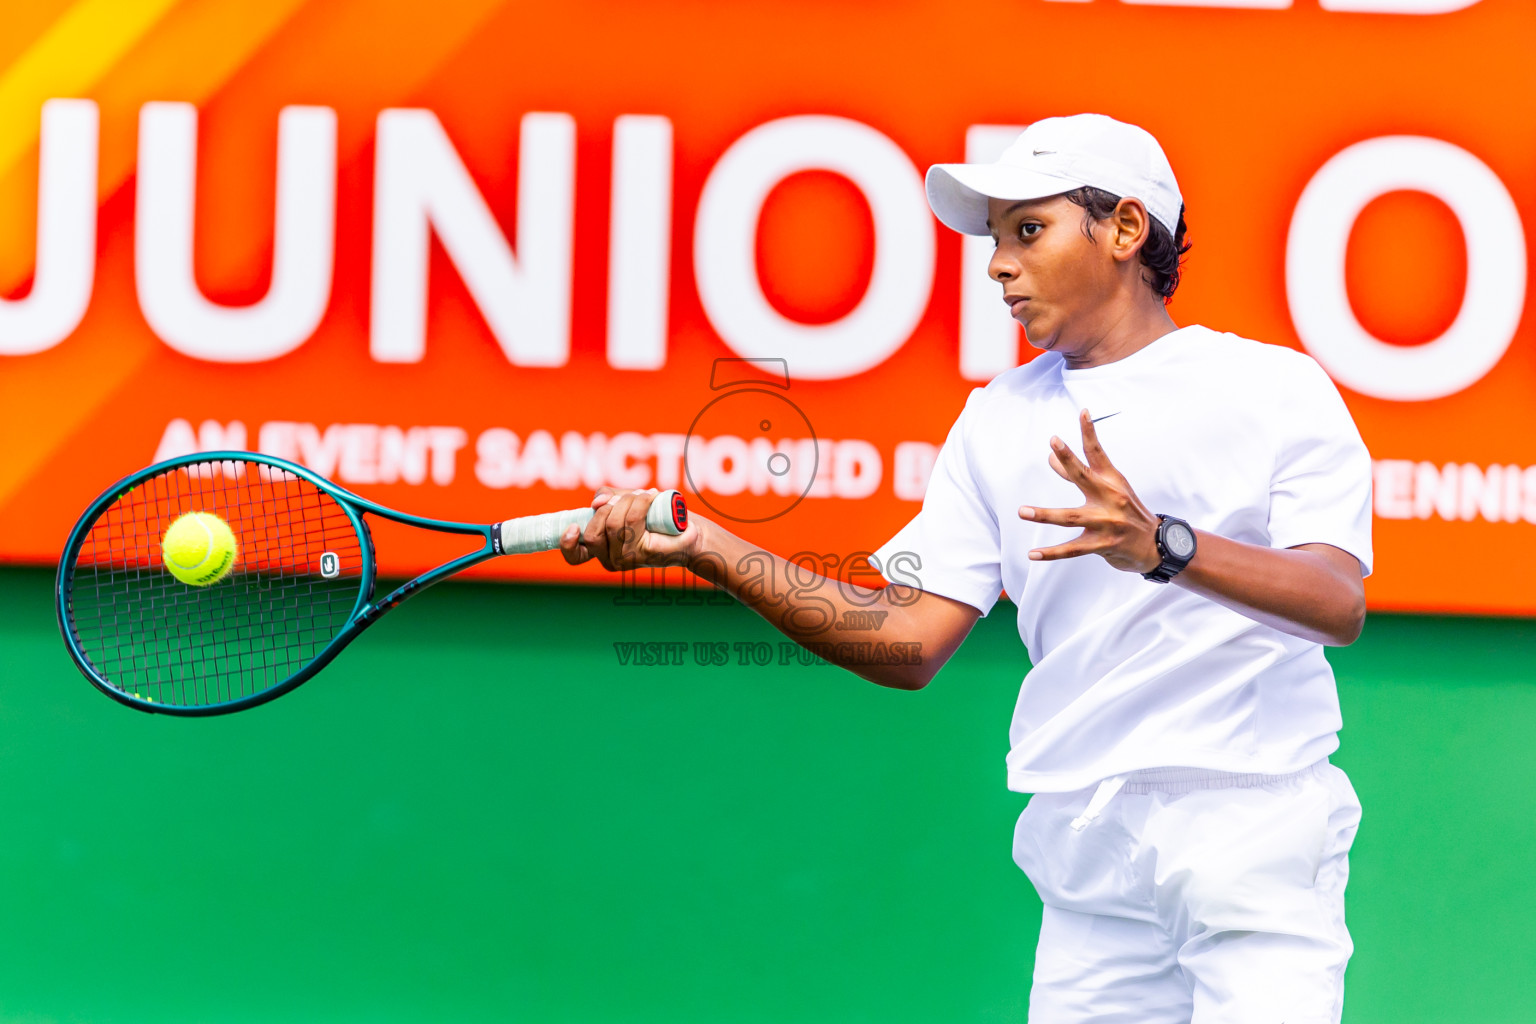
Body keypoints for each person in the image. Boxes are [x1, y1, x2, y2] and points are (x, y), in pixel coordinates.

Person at [560, 113, 1373, 1024]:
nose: (997, 266)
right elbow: (906, 637)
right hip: (1084, 848)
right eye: (996, 240)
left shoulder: (1273, 386)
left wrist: (1161, 546)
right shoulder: (996, 419)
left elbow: (1335, 601)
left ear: (1125, 230)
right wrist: (712, 548)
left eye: (1029, 231)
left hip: (1250, 826)